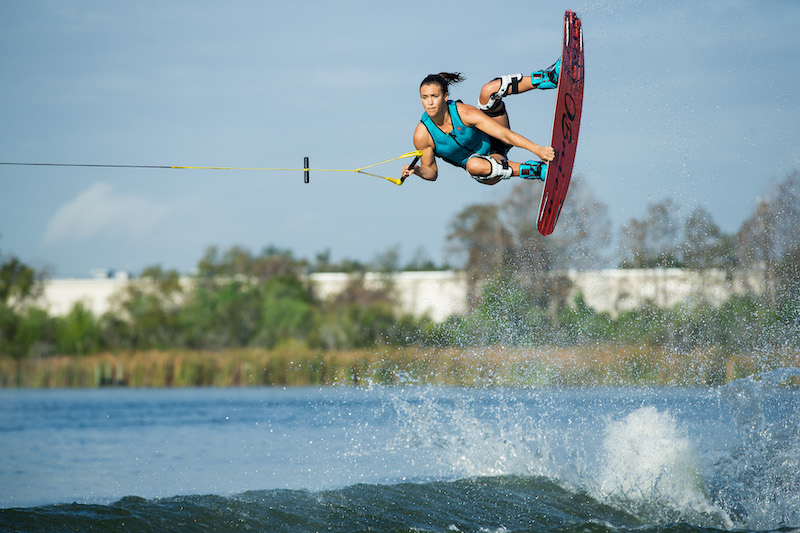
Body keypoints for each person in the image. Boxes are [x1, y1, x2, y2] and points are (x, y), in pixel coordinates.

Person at [401, 60, 560, 185]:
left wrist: (537, 149)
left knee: (488, 90)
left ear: (445, 97)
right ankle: (535, 170)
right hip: (485, 169)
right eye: (424, 98)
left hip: (497, 140)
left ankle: (549, 78)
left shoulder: (463, 113)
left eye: (434, 96)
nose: (429, 102)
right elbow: (432, 172)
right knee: (473, 165)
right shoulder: (422, 135)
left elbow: (503, 134)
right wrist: (417, 170)